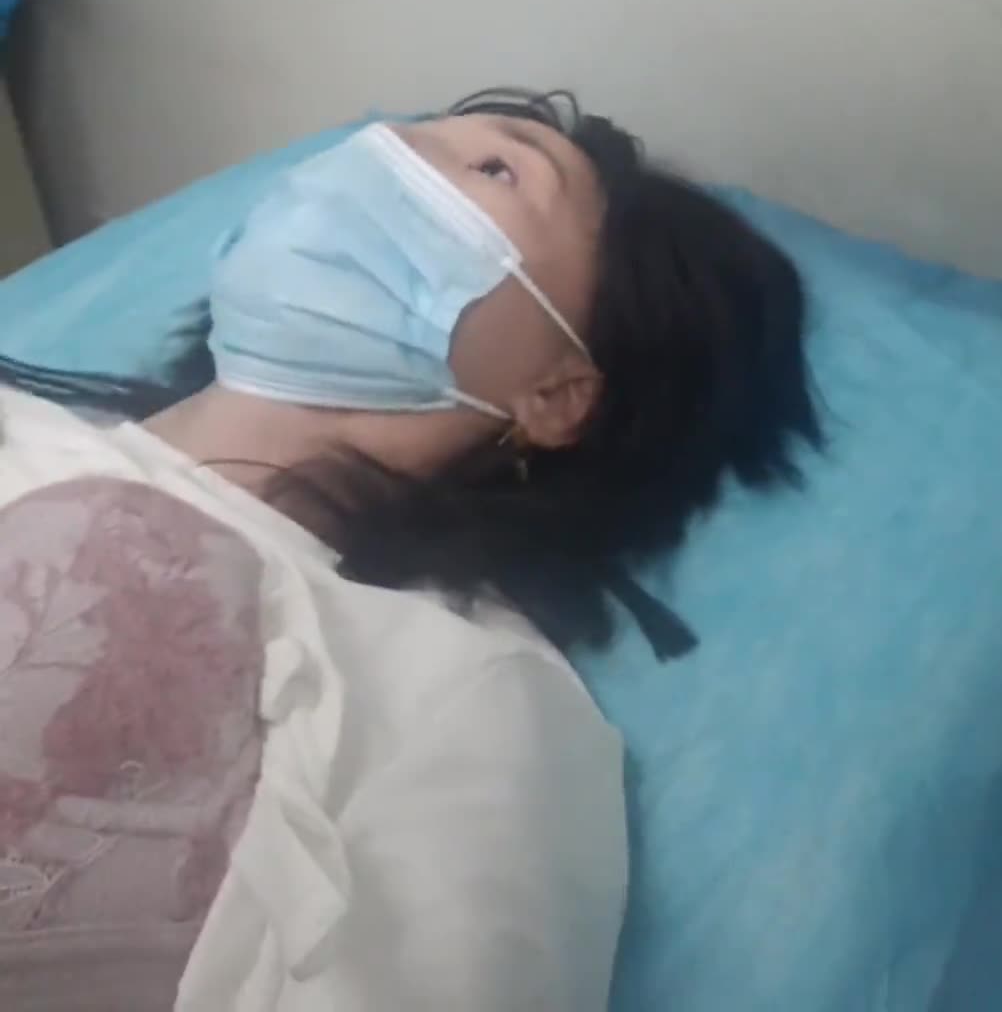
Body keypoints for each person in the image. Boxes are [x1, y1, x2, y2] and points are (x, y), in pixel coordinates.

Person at [0, 88, 821, 1012]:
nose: (385, 157)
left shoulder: (463, 695)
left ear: (557, 394)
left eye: (497, 169)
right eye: (391, 140)